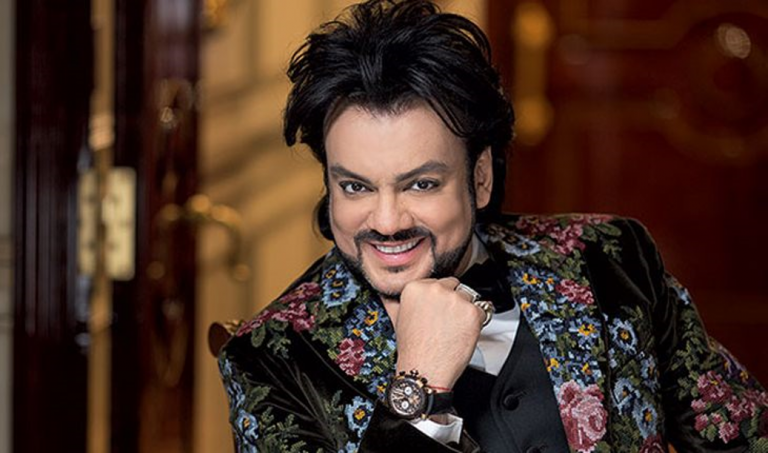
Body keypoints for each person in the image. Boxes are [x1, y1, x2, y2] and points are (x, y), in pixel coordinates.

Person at [218, 1, 768, 451]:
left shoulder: (612, 259)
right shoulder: (270, 358)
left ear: (479, 178)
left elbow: (744, 437)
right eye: (355, 187)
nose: (386, 222)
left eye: (421, 184)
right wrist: (419, 385)